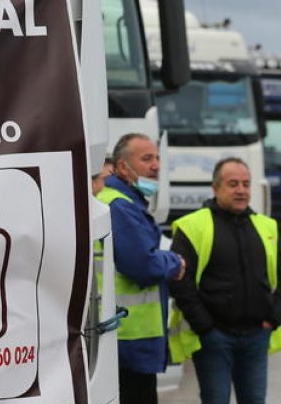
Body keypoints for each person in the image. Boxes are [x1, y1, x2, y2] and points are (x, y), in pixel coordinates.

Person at [168, 157, 281, 404]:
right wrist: (205, 327)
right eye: (233, 184)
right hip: (215, 339)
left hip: (257, 335)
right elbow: (181, 282)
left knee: (255, 400)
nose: (241, 190)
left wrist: (273, 316)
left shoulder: (266, 227)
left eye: (246, 184)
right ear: (215, 188)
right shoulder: (193, 226)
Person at [95, 133, 186, 404]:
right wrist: (175, 262)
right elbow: (143, 265)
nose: (156, 165)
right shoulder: (120, 207)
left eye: (158, 158)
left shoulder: (125, 202)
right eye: (147, 158)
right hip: (128, 338)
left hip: (127, 336)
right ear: (123, 167)